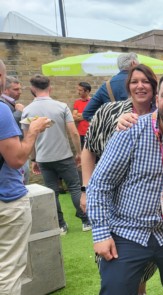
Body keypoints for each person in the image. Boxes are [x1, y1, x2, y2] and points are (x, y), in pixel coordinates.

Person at [86, 71, 163, 295]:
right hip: (127, 231)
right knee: (115, 290)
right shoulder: (130, 132)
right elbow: (100, 184)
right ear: (157, 99)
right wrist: (101, 234)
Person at [81, 64, 158, 295]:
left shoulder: (162, 116)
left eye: (146, 81)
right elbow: (88, 150)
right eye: (135, 81)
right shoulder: (108, 112)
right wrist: (86, 188)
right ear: (128, 86)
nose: (140, 86)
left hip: (144, 207)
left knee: (142, 267)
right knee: (111, 260)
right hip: (108, 201)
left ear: (154, 88)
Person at [0, 59, 51, 295]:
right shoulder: (1, 110)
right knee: (8, 270)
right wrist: (33, 132)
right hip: (6, 198)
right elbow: (17, 159)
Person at [22, 74, 89, 234]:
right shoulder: (61, 106)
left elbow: (28, 138)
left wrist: (33, 159)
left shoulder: (27, 110)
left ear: (32, 89)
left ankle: (60, 225)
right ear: (50, 88)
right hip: (64, 156)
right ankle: (86, 221)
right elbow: (73, 132)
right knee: (74, 187)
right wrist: (79, 153)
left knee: (52, 191)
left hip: (44, 158)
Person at [82, 52, 139, 121]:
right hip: (141, 128)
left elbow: (87, 114)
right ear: (133, 63)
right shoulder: (143, 83)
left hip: (115, 130)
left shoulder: (106, 86)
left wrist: (109, 122)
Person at [1, 76, 30, 184]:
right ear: (5, 90)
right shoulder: (3, 104)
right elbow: (6, 124)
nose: (20, 92)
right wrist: (19, 113)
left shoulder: (11, 103)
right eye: (16, 89)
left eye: (20, 89)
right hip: (11, 153)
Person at [73, 82, 91, 148]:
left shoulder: (93, 102)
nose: (78, 92)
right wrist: (87, 115)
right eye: (78, 90)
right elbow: (74, 117)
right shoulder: (77, 102)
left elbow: (94, 115)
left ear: (87, 91)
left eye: (80, 90)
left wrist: (80, 114)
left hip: (90, 132)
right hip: (80, 133)